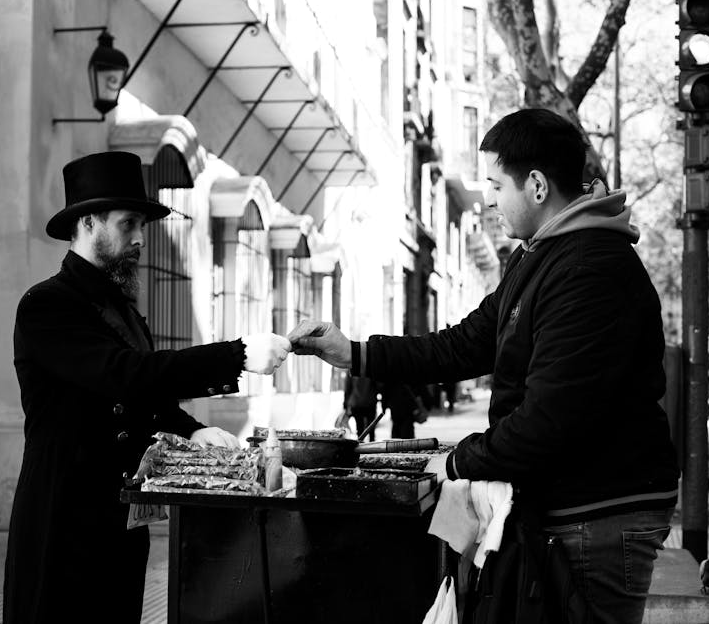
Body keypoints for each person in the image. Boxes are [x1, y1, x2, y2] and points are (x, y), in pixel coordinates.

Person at [289, 109, 680, 623]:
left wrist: (455, 462)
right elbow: (464, 344)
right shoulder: (539, 256)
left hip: (598, 512)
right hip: (568, 503)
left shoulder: (589, 270)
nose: (489, 200)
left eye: (496, 185)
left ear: (536, 185)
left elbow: (548, 420)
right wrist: (356, 354)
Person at [2, 151, 291, 624]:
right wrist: (237, 354)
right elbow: (124, 374)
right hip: (63, 524)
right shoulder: (46, 304)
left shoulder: (125, 311)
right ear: (88, 222)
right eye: (128, 223)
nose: (140, 238)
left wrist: (193, 430)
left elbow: (146, 398)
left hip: (122, 526)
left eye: (142, 225)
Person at [342, 371, 381, 440]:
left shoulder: (352, 369)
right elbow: (378, 385)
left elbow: (348, 387)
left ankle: (361, 445)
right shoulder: (371, 368)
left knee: (360, 429)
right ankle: (372, 445)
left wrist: (345, 404)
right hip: (370, 402)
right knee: (371, 429)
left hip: (357, 403)